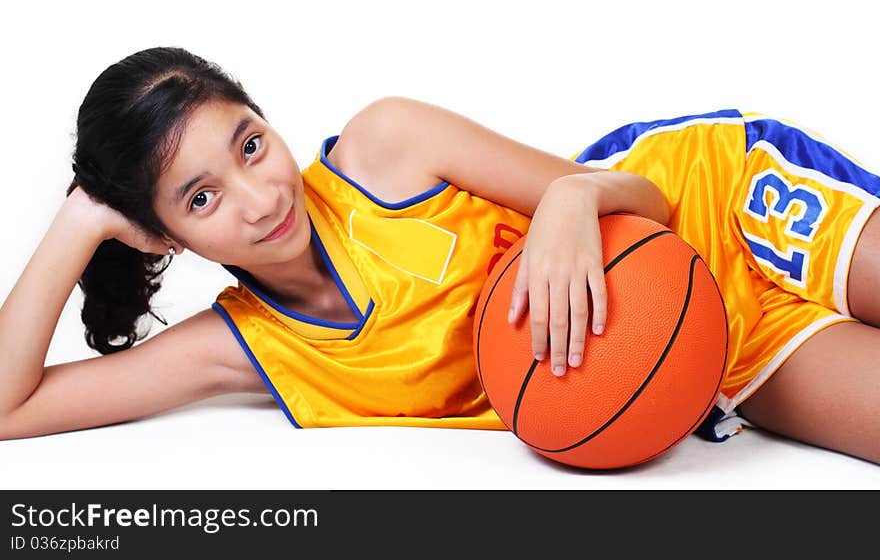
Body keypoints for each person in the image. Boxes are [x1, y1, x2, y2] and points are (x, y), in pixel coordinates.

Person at [0, 47, 877, 466]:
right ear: (165, 237)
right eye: (201, 199)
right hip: (699, 349)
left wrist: (573, 195)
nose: (258, 196)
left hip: (716, 201)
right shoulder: (248, 350)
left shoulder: (386, 150)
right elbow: (9, 410)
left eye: (251, 145)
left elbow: (640, 200)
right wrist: (77, 221)